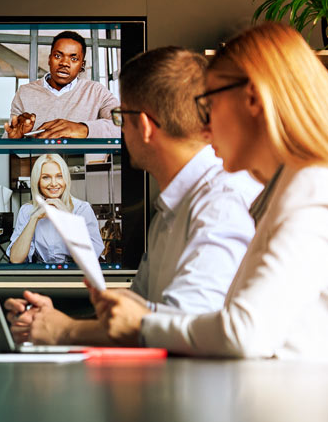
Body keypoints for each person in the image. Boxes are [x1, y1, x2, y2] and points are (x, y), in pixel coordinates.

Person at [93, 23, 328, 360]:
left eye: (209, 103)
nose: (203, 125)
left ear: (252, 98)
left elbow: (244, 332)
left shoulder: (311, 189)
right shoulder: (285, 190)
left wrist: (143, 323)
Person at [4, 47, 261, 346]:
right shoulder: (172, 208)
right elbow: (140, 314)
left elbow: (189, 328)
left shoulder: (221, 202)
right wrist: (49, 321)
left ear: (145, 126)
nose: (120, 129)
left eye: (121, 116)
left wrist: (64, 331)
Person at [3, 31, 120, 139]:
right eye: (58, 56)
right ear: (49, 59)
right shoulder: (25, 92)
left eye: (74, 58)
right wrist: (14, 139)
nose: (64, 63)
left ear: (82, 65)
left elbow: (124, 125)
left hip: (78, 162)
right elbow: (10, 136)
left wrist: (83, 128)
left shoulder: (96, 91)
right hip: (38, 162)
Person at [7, 153, 105, 265]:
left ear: (66, 179)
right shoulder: (26, 211)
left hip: (76, 273)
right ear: (37, 182)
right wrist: (34, 218)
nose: (54, 183)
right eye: (46, 177)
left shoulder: (82, 209)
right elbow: (15, 259)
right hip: (42, 275)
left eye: (59, 176)